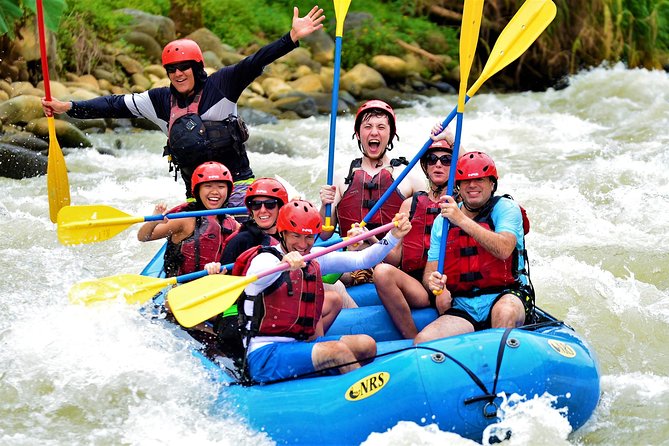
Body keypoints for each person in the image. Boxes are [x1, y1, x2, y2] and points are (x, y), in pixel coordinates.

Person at [41, 6, 325, 205]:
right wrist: (68, 106)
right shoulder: (159, 101)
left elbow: (256, 60)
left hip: (238, 189)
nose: (178, 73)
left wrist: (291, 39)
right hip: (197, 197)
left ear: (197, 67)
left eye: (185, 67)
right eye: (172, 69)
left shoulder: (222, 84)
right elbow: (114, 104)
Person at [236, 199, 411, 383]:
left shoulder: (314, 257)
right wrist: (283, 266)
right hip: (265, 355)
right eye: (296, 236)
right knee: (339, 351)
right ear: (282, 233)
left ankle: (335, 383)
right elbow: (258, 277)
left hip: (300, 345)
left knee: (366, 344)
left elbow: (362, 260)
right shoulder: (265, 260)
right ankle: (363, 398)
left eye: (309, 237)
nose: (303, 245)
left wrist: (393, 236)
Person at [413, 151, 534, 345]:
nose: (472, 185)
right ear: (458, 187)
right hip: (464, 304)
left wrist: (460, 219)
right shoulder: (442, 222)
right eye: (465, 181)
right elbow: (431, 270)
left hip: (506, 294)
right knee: (423, 341)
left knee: (504, 313)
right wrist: (434, 283)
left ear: (492, 184)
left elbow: (504, 249)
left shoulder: (506, 208)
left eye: (480, 179)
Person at [372, 137, 454, 339]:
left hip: (448, 281)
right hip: (417, 284)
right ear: (425, 166)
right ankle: (411, 340)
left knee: (444, 297)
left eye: (446, 160)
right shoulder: (410, 205)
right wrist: (370, 240)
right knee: (382, 272)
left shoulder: (461, 205)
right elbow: (394, 257)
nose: (438, 164)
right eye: (432, 159)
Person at [319, 99, 425, 241]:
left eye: (381, 127)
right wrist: (324, 205)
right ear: (358, 133)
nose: (374, 132)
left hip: (392, 261)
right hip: (351, 258)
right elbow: (324, 234)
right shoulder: (340, 177)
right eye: (368, 127)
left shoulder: (410, 177)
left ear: (391, 134)